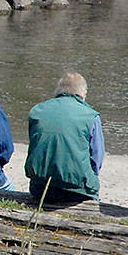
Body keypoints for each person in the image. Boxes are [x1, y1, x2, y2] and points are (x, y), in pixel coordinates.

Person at [26, 72, 103, 205]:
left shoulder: (37, 111)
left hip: (40, 187)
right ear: (84, 92)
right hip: (77, 191)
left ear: (58, 90)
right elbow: (97, 158)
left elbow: (34, 145)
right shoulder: (91, 116)